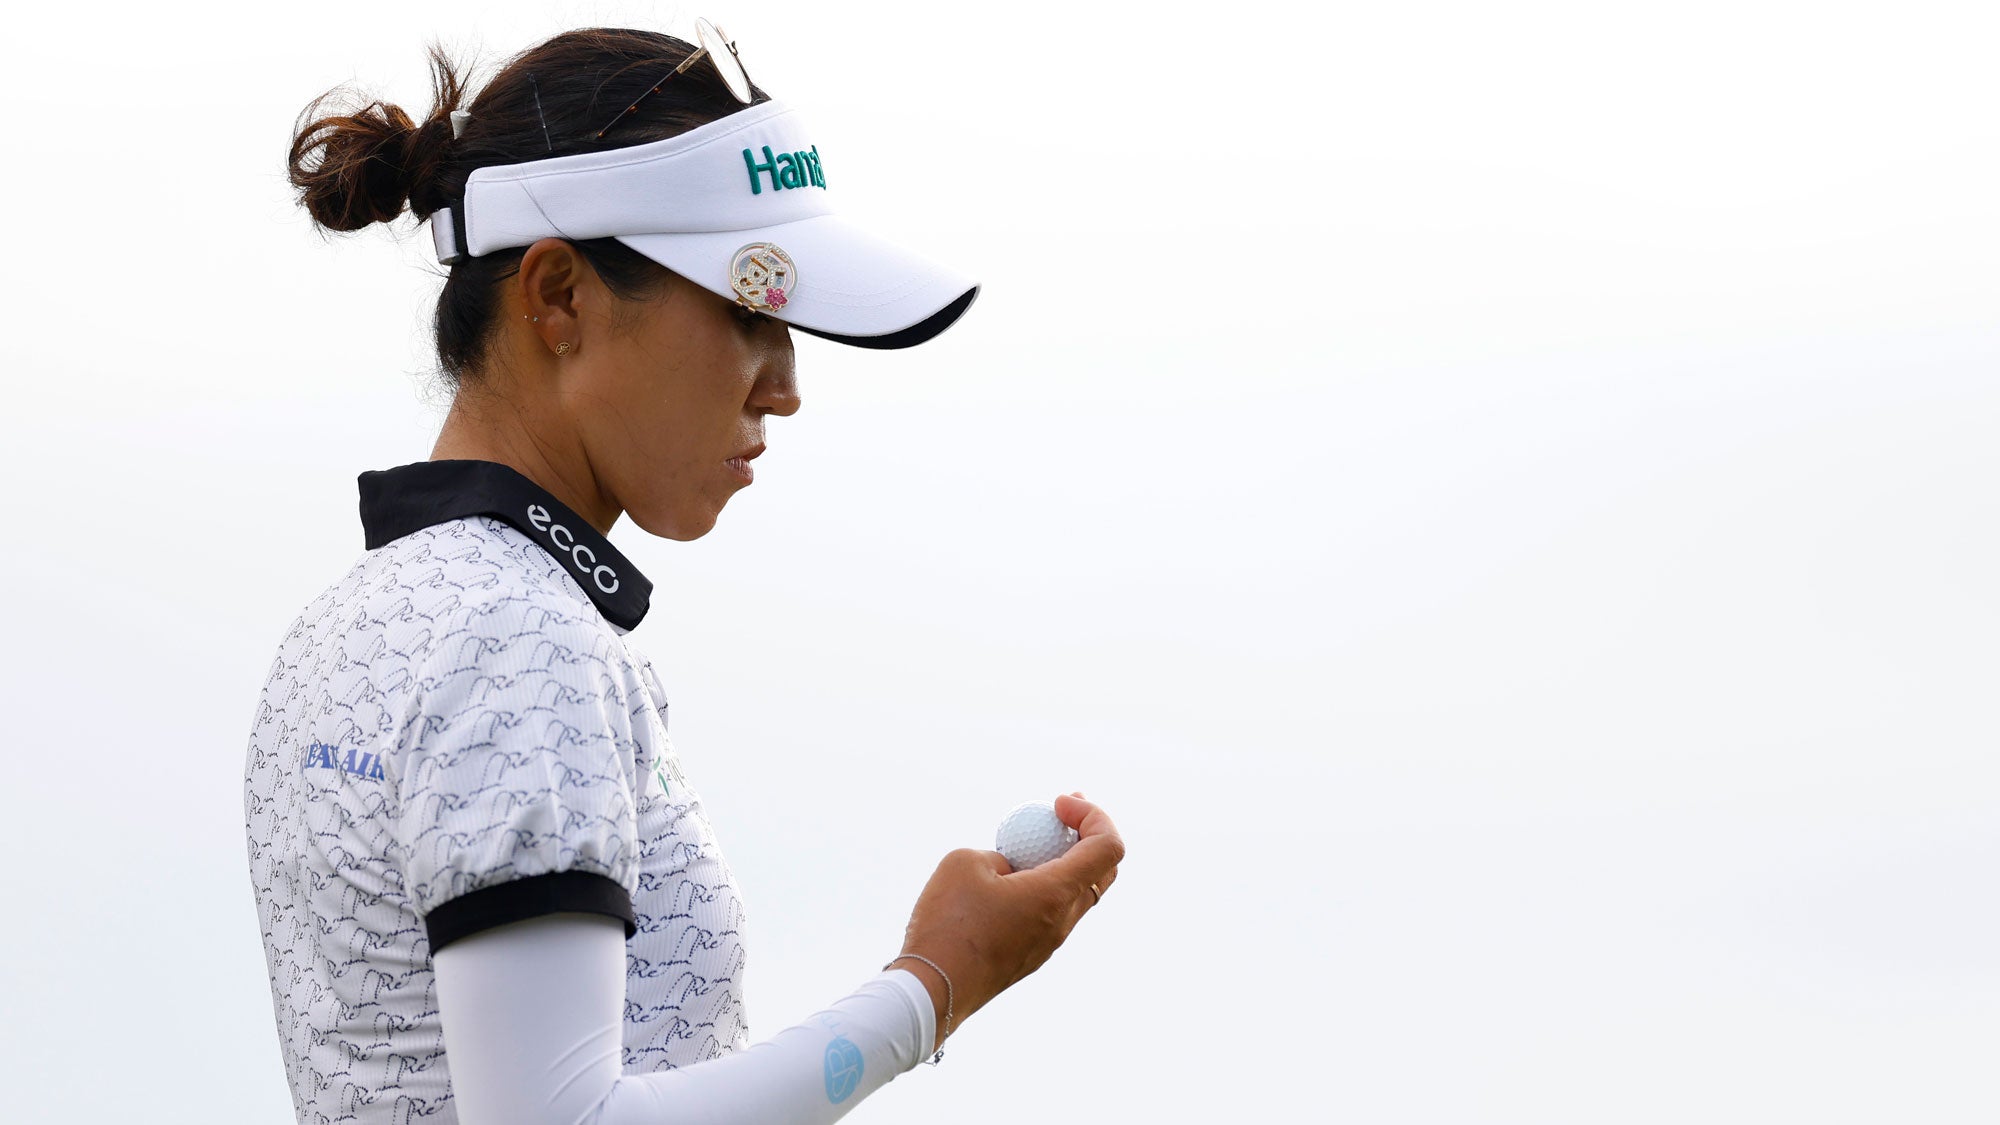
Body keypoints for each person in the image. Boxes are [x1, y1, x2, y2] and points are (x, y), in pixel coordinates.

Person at [242, 23, 1124, 1125]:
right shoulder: (514, 638)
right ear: (557, 296)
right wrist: (937, 983)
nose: (785, 384)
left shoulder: (361, 624)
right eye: (747, 308)